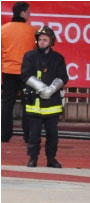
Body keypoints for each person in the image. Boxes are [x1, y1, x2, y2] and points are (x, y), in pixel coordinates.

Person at [21, 25, 68, 168]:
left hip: (52, 103)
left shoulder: (58, 58)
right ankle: (33, 159)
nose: (42, 42)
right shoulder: (29, 56)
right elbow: (25, 75)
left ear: (51, 41)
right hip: (34, 102)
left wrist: (51, 89)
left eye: (45, 40)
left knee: (52, 135)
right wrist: (42, 89)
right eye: (40, 39)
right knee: (33, 134)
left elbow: (63, 76)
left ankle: (51, 159)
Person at [1, 1, 36, 143]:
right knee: (27, 104)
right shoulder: (32, 31)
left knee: (7, 104)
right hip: (26, 73)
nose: (30, 14)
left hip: (8, 71)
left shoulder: (3, 29)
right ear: (22, 13)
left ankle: (4, 135)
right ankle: (28, 136)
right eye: (28, 12)